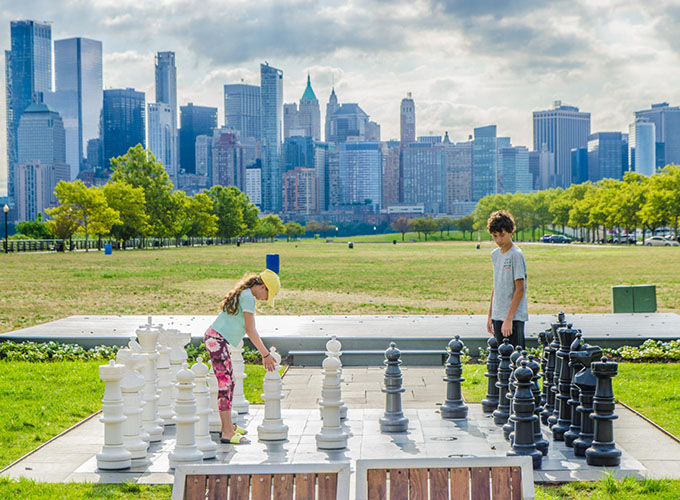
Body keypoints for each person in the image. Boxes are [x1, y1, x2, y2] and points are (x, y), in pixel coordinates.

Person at [203, 269, 280, 444]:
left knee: (230, 381)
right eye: (267, 295)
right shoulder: (248, 298)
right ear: (262, 286)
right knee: (225, 384)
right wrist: (265, 354)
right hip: (216, 340)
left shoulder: (246, 294)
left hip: (217, 339)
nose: (265, 299)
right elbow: (250, 330)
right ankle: (227, 432)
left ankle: (227, 427)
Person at [485, 210, 528, 348]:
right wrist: (490, 315)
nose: (498, 240)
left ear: (511, 232)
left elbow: (520, 289)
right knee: (501, 362)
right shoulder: (495, 255)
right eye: (495, 236)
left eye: (502, 235)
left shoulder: (516, 255)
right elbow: (496, 286)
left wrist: (509, 319)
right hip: (498, 315)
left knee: (516, 360)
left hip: (513, 318)